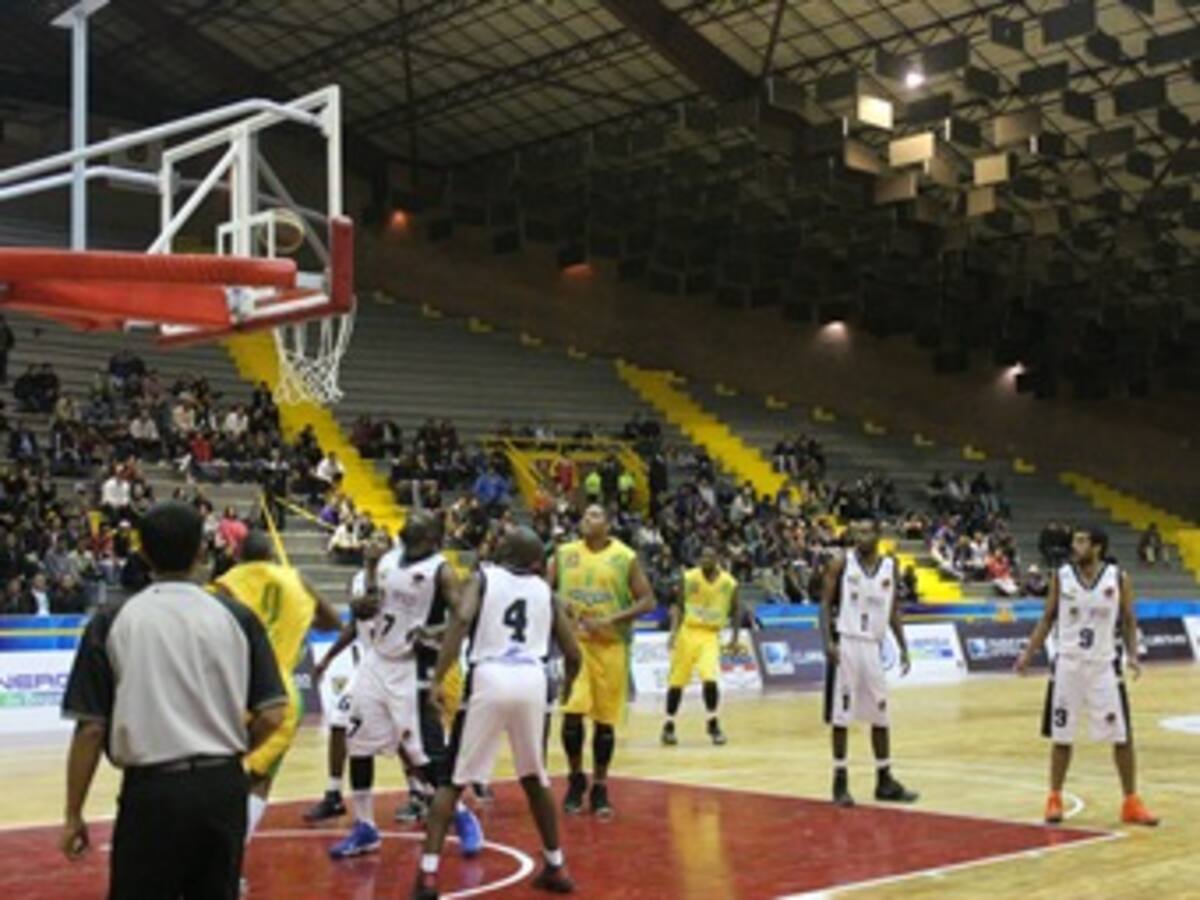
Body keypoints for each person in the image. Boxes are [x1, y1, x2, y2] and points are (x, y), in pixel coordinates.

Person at [59, 501, 287, 900]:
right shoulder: (237, 617)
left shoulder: (111, 622)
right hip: (222, 787)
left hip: (152, 793)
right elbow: (272, 714)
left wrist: (73, 814)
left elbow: (91, 728)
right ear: (202, 551)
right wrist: (227, 753)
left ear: (142, 552)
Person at [413, 526, 582, 899]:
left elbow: (460, 618)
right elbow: (573, 653)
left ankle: (427, 876)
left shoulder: (483, 578)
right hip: (533, 681)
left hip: (489, 676)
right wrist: (567, 686)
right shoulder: (546, 592)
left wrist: (438, 677)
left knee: (452, 780)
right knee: (535, 777)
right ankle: (556, 865)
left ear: (507, 552)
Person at [329, 512, 483, 859]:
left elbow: (464, 618)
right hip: (375, 661)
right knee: (359, 743)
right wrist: (365, 587)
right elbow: (370, 608)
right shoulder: (386, 560)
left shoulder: (442, 571)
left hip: (411, 667)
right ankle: (365, 827)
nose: (412, 519)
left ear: (432, 536)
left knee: (419, 754)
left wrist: (434, 632)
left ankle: (461, 814)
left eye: (421, 519)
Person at [1015, 526, 1159, 826]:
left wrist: (1133, 655)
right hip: (1067, 666)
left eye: (1081, 541)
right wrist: (1028, 653)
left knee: (1122, 736)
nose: (1074, 545)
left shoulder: (1118, 578)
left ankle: (1131, 801)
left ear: (1098, 547)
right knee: (1061, 737)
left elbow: (1129, 620)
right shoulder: (1062, 576)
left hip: (1104, 666)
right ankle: (1054, 798)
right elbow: (1047, 617)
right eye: (1075, 540)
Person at [212, 532, 341, 855]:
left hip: (233, 687)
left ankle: (209, 860)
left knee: (220, 775)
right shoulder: (296, 579)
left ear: (240, 555)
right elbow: (333, 622)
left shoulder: (225, 583)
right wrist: (296, 616)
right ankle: (231, 860)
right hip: (279, 692)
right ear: (271, 554)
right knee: (259, 780)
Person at [548, 504, 655, 818]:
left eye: (594, 515)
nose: (586, 519)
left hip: (610, 647)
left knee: (604, 723)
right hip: (576, 647)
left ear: (608, 523)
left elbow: (648, 599)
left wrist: (611, 618)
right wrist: (559, 600)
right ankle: (575, 778)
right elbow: (541, 587)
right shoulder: (564, 553)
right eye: (585, 515)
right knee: (571, 715)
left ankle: (600, 785)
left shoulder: (625, 557)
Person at [820, 520, 918, 807]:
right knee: (841, 716)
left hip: (873, 647)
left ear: (878, 535)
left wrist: (902, 645)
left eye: (866, 532)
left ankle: (884, 780)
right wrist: (828, 641)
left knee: (881, 715)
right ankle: (840, 781)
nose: (859, 537)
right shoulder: (841, 563)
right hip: (847, 642)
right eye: (856, 532)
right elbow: (824, 604)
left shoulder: (890, 566)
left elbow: (893, 608)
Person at [661, 546, 741, 747]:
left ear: (717, 559)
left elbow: (737, 609)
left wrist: (735, 637)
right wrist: (673, 633)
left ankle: (713, 723)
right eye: (702, 556)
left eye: (709, 556)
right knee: (677, 680)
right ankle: (668, 725)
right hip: (688, 632)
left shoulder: (729, 583)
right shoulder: (688, 578)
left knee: (710, 678)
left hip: (710, 635)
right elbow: (678, 606)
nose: (705, 559)